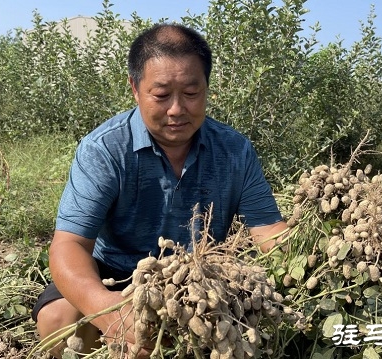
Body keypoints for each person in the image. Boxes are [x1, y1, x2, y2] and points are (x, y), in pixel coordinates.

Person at [32, 23, 288, 358]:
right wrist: (109, 311)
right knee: (59, 321)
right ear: (135, 88)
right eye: (162, 95)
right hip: (116, 277)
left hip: (200, 280)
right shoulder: (105, 150)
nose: (177, 109)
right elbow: (69, 245)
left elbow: (268, 230)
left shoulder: (235, 150)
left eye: (192, 94)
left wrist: (319, 251)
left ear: (207, 89)